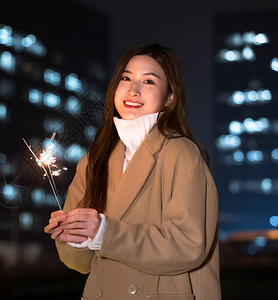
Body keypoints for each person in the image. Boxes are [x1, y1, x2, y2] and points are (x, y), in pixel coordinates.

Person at [44, 42, 221, 300]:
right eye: (126, 78)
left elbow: (189, 245)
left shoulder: (181, 153)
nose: (133, 90)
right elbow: (79, 264)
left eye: (148, 82)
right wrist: (73, 235)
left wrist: (104, 232)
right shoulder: (94, 160)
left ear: (169, 97)